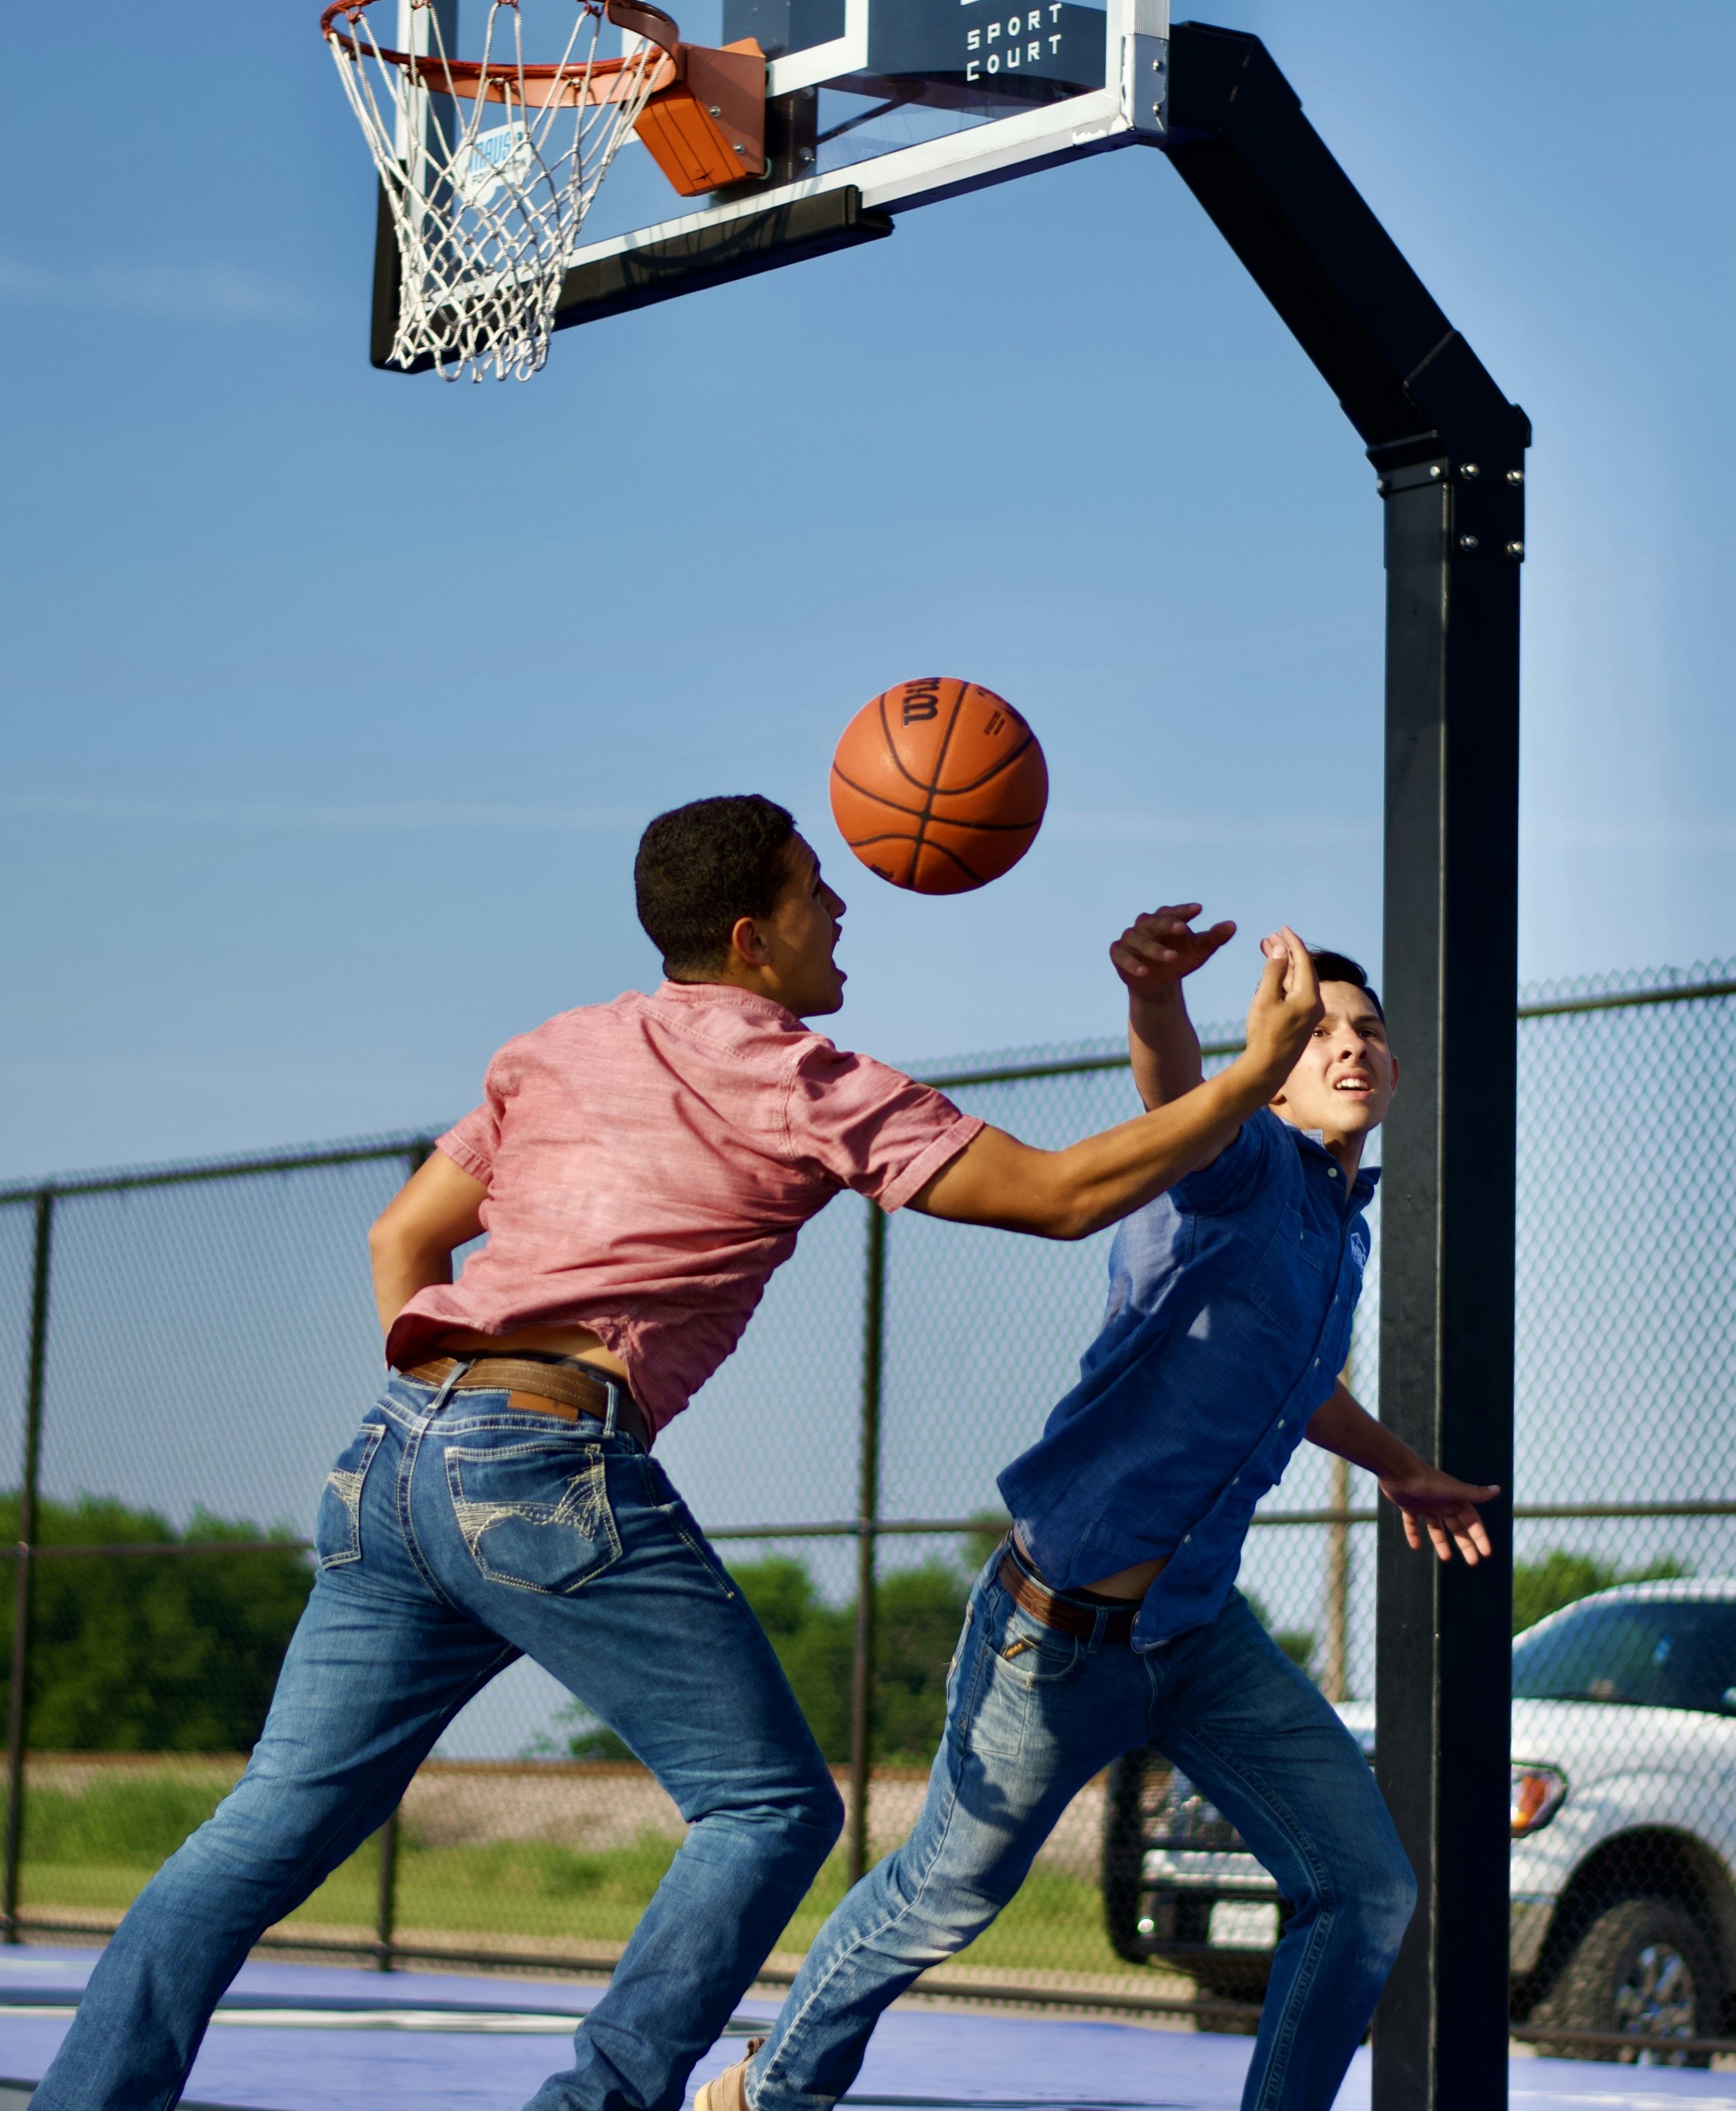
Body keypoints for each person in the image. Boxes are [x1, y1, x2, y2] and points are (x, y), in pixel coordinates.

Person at [33, 805, 1325, 2111]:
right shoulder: (802, 1077)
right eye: (820, 891)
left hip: (391, 1457)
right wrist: (1244, 1071)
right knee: (770, 1808)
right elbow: (1054, 1198)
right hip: (543, 1458)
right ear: (754, 938)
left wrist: (455, 1417)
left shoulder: (557, 1048)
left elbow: (398, 1242)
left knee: (257, 1834)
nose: (844, 911)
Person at [701, 905, 1501, 2111]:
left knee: (1364, 1887)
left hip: (1195, 1632)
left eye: (1368, 1032)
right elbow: (1171, 1086)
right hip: (1059, 1633)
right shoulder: (1234, 1163)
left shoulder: (1341, 1226)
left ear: (1393, 1068)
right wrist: (1156, 1001)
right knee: (941, 1896)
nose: (1347, 1048)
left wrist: (1397, 1463)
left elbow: (1289, 1379)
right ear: (1271, 1082)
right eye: (1316, 1031)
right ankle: (766, 2092)